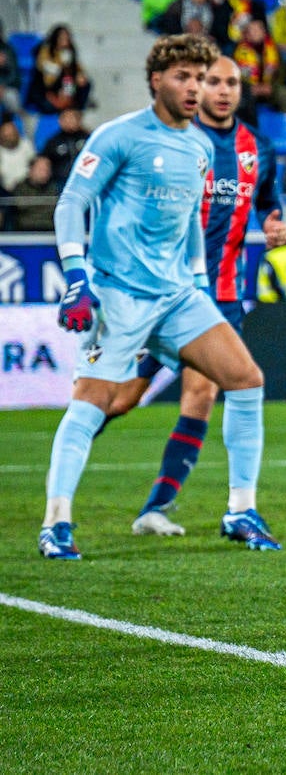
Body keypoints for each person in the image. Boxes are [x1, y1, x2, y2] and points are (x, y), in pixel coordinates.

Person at [40, 34, 272, 560]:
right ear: (156, 81)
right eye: (183, 78)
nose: (194, 88)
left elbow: (190, 217)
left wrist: (195, 279)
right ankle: (57, 521)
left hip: (177, 297)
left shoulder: (198, 146)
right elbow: (72, 202)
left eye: (200, 78)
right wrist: (77, 277)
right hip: (119, 295)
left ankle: (240, 509)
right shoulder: (119, 136)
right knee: (96, 402)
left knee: (245, 379)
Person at [99, 55, 286, 539]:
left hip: (220, 296)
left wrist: (273, 221)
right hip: (157, 290)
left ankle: (161, 507)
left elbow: (268, 199)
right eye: (212, 82)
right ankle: (67, 468)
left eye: (232, 83)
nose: (223, 91)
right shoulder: (175, 142)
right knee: (120, 398)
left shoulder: (257, 147)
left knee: (203, 392)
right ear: (196, 88)